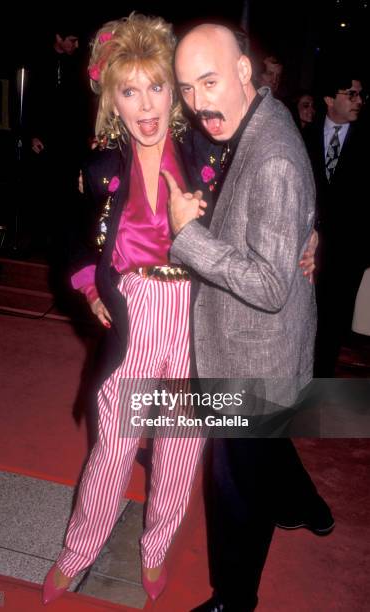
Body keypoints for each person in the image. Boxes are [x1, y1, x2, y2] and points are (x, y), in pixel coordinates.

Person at [42, 14, 317, 607]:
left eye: (158, 86)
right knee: (112, 446)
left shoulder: (211, 151)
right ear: (112, 97)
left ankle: (155, 549)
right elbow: (72, 238)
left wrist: (309, 236)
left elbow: (269, 200)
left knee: (178, 450)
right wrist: (91, 287)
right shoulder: (99, 168)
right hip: (136, 311)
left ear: (175, 91)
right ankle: (78, 550)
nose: (146, 105)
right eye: (130, 90)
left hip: (200, 314)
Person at [162, 24, 334, 611]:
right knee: (262, 456)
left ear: (243, 72)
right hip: (263, 351)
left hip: (254, 358)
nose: (199, 102)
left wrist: (188, 237)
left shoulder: (274, 155)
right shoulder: (255, 120)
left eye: (209, 82)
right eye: (186, 88)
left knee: (233, 486)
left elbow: (265, 285)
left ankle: (233, 601)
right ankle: (305, 506)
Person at [304, 69, 370, 377]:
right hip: (305, 253)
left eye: (361, 95)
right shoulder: (303, 134)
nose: (359, 101)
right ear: (330, 98)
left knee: (334, 326)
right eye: (351, 94)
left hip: (348, 253)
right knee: (303, 322)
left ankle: (320, 386)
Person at [25, 22, 90, 260]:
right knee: (44, 191)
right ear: (58, 36)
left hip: (71, 141)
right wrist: (30, 133)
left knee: (70, 193)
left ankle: (64, 245)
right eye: (72, 39)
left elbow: (84, 104)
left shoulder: (78, 65)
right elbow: (28, 100)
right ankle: (40, 243)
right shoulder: (39, 61)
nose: (76, 44)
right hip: (45, 141)